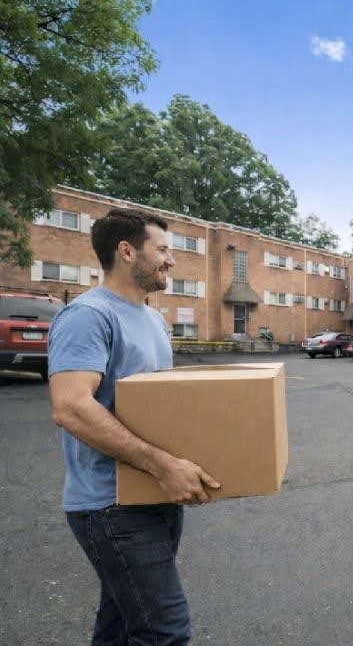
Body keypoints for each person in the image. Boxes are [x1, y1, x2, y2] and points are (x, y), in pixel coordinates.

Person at [48, 209, 220, 645]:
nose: (171, 261)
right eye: (162, 249)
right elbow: (70, 407)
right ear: (126, 251)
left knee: (123, 622)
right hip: (110, 506)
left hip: (156, 495)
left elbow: (159, 405)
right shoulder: (87, 316)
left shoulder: (152, 319)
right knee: (164, 631)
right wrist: (161, 464)